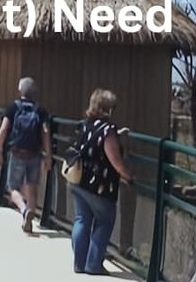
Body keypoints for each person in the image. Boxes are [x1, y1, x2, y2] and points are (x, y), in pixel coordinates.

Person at [69, 89, 132, 276]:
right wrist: (128, 175)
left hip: (77, 180)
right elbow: (115, 160)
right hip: (99, 186)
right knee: (104, 222)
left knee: (81, 220)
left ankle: (79, 264)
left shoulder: (84, 125)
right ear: (108, 110)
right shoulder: (108, 131)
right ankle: (93, 264)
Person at [0, 77, 52, 234]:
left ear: (20, 91)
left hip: (17, 152)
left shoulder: (13, 107)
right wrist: (48, 156)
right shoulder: (41, 110)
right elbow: (45, 132)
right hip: (34, 153)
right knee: (32, 187)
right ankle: (30, 221)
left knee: (12, 188)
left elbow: (4, 129)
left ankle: (24, 210)